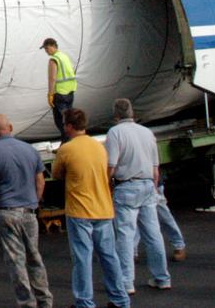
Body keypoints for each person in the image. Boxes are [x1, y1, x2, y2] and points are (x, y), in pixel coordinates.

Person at [52, 108, 128, 308]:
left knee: (82, 258)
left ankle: (85, 302)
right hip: (103, 207)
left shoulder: (67, 149)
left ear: (69, 126)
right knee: (109, 256)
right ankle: (120, 299)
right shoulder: (99, 147)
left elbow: (57, 173)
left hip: (80, 210)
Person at [0, 114, 52, 308]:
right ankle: (45, 300)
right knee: (34, 257)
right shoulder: (30, 150)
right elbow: (40, 181)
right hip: (28, 211)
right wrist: (34, 201)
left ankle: (27, 303)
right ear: (10, 127)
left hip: (6, 210)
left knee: (16, 260)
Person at [104, 98, 171, 293]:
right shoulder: (147, 132)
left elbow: (112, 165)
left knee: (125, 235)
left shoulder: (115, 132)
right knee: (153, 234)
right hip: (148, 184)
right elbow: (156, 168)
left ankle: (126, 282)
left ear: (116, 115)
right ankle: (162, 277)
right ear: (132, 113)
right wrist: (153, 185)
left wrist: (106, 185)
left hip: (126, 186)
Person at [40, 38, 77, 144]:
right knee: (69, 119)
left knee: (61, 121)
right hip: (70, 92)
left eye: (47, 48)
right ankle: (66, 142)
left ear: (53, 46)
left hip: (60, 94)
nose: (46, 51)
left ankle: (67, 144)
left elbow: (52, 78)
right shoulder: (64, 56)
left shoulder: (54, 59)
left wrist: (50, 94)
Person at [155, 176, 187, 261]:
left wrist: (155, 185)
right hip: (128, 183)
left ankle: (179, 245)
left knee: (164, 217)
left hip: (151, 183)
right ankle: (133, 251)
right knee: (134, 221)